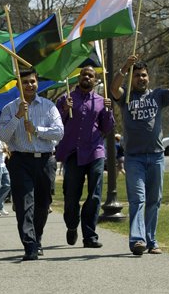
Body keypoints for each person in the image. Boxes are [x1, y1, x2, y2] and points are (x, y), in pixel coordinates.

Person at [110, 54, 169, 256]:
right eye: (137, 76)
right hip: (134, 157)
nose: (141, 79)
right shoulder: (126, 96)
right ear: (132, 78)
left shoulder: (159, 95)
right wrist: (125, 68)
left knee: (154, 200)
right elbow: (113, 89)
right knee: (138, 199)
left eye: (143, 75)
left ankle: (151, 240)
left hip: (156, 156)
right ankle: (137, 241)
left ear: (148, 77)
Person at [0, 68, 64, 260]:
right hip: (20, 160)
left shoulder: (49, 106)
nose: (29, 85)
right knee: (25, 203)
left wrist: (36, 130)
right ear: (18, 85)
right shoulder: (10, 108)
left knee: (43, 204)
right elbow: (2, 135)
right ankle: (29, 244)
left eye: (32, 81)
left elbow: (59, 133)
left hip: (45, 160)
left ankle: (37, 237)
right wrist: (18, 116)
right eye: (25, 82)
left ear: (37, 83)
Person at [55, 66, 115, 248]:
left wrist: (108, 111)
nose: (87, 77)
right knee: (71, 194)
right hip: (73, 153)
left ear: (95, 81)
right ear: (78, 78)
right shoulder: (66, 98)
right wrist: (64, 109)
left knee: (95, 194)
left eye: (91, 76)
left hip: (95, 150)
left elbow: (106, 129)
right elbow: (54, 124)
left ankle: (90, 236)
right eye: (84, 75)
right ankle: (72, 226)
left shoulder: (101, 101)